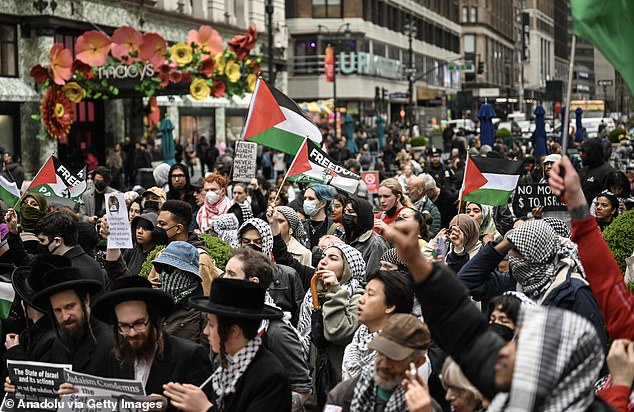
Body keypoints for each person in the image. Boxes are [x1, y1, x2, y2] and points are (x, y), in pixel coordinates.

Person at [383, 220, 612, 411]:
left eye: (517, 250)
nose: (505, 346)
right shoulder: (519, 283)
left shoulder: (574, 293)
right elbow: (464, 297)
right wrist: (415, 261)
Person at [456, 218, 607, 349]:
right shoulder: (514, 282)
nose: (511, 256)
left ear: (535, 252)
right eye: (511, 249)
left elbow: (594, 349)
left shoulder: (573, 291)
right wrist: (504, 245)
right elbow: (466, 281)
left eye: (517, 250)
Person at [163, 278, 292, 412]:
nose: (205, 331)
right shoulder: (226, 362)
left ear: (234, 331)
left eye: (211, 325)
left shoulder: (270, 377)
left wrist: (204, 409)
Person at [90, 276, 212, 408]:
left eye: (139, 324)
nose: (132, 333)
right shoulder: (116, 357)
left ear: (155, 320)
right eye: (124, 326)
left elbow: (204, 407)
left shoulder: (190, 356)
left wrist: (166, 407)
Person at [221, 247, 312, 411]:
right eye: (225, 272)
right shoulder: (228, 321)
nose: (224, 278)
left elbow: (302, 388)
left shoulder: (277, 332)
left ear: (253, 282)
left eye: (231, 274)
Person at [326, 313, 435, 412]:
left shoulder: (425, 407)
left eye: (394, 358)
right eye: (381, 353)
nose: (384, 364)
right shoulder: (342, 395)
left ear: (418, 362)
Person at [31, 258, 114, 375]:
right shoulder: (59, 343)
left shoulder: (111, 344)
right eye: (58, 310)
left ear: (86, 300)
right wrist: (18, 384)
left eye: (70, 306)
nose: (65, 317)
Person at [341, 270, 415, 381]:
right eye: (364, 293)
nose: (361, 299)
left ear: (389, 306)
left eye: (370, 294)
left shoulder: (405, 355)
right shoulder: (355, 345)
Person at [237, 217, 304, 325]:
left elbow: (299, 316)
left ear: (267, 243)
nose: (251, 246)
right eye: (246, 241)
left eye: (258, 242)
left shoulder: (288, 275)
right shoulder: (231, 275)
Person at [151, 241, 208, 346]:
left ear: (188, 275)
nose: (163, 274)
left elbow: (205, 356)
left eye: (169, 269)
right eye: (160, 268)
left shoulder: (201, 312)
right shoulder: (154, 301)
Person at [3, 259, 58, 366]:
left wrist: (14, 351)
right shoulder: (31, 333)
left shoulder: (51, 340)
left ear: (25, 304)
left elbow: (40, 377)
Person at [342, 197, 389, 276]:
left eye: (351, 212)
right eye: (344, 212)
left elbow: (372, 276)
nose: (346, 215)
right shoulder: (344, 237)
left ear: (362, 216)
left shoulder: (376, 244)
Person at [301, 184, 337, 250]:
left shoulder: (336, 229)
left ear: (323, 203)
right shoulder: (300, 227)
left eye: (311, 199)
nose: (306, 202)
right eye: (305, 198)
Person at [579, 138, 615, 203]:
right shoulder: (583, 170)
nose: (581, 155)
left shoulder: (608, 172)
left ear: (592, 153)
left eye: (584, 152)